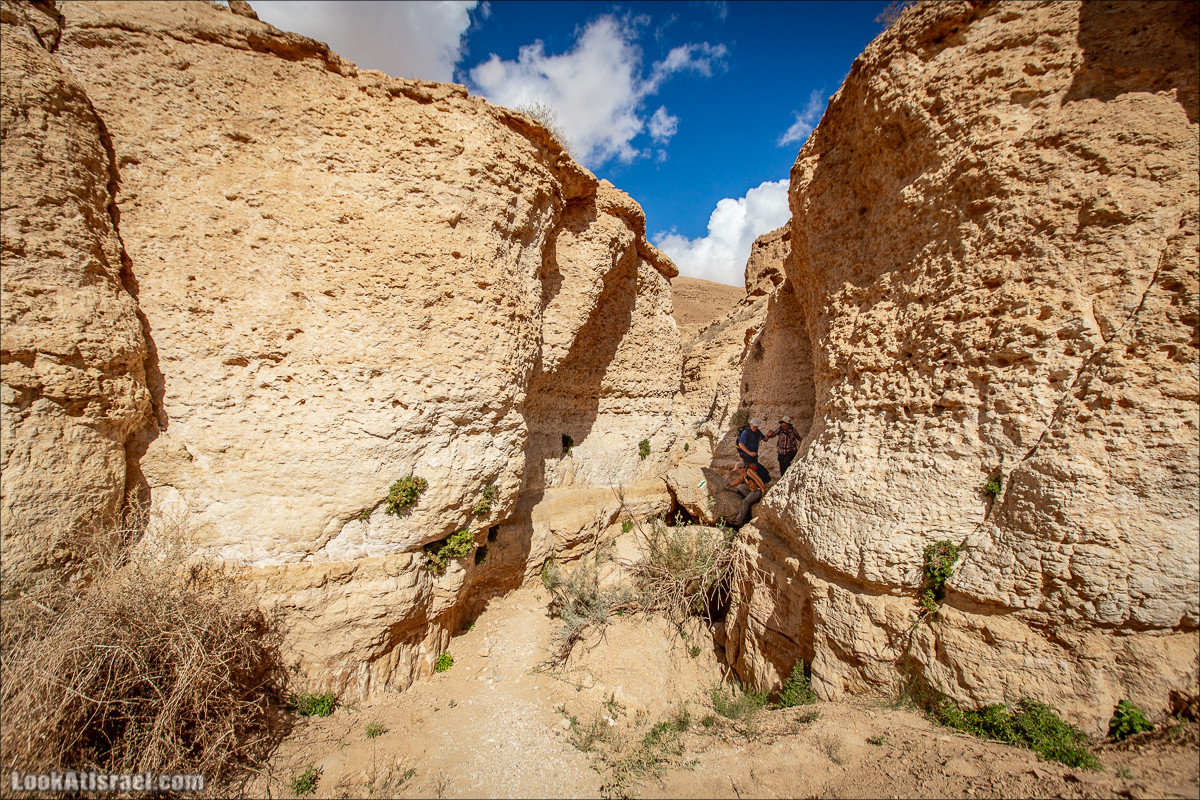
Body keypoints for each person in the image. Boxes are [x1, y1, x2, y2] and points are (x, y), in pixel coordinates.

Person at [727, 460, 769, 528]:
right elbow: (740, 480)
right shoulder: (745, 472)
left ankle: (738, 521)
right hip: (754, 490)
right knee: (741, 486)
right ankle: (751, 499)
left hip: (758, 491)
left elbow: (758, 480)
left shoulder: (749, 471)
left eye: (738, 470)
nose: (738, 472)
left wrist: (763, 491)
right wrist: (731, 485)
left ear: (742, 468)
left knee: (745, 502)